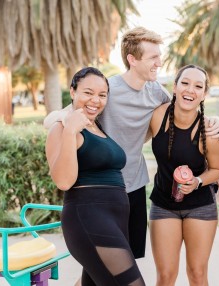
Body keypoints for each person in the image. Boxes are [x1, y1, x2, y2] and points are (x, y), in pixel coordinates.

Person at [43, 27, 219, 262]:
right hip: (103, 187)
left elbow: (185, 110)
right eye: (153, 57)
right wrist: (59, 121)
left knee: (123, 262)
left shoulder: (157, 93)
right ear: (132, 59)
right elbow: (56, 118)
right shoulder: (106, 90)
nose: (159, 63)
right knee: (106, 266)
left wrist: (216, 121)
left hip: (135, 187)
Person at [45, 67, 145, 286]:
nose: (95, 100)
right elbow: (63, 181)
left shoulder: (97, 126)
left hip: (115, 220)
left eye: (102, 95)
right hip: (89, 218)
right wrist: (70, 131)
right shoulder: (61, 128)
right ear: (72, 92)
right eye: (88, 92)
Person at [148, 64, 219, 285]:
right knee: (165, 276)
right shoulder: (158, 116)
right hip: (163, 204)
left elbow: (218, 170)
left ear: (204, 94)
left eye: (198, 86)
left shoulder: (210, 131)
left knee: (197, 274)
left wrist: (198, 181)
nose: (190, 90)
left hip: (200, 206)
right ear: (174, 87)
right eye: (185, 83)